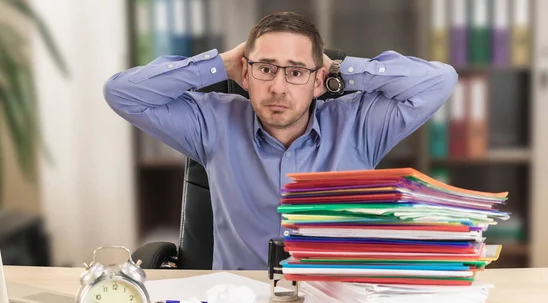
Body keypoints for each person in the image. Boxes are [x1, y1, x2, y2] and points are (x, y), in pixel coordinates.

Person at [104, 11, 458, 271]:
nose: (278, 87)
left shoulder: (358, 125)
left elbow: (439, 81)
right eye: (266, 68)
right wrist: (220, 64)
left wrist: (341, 69)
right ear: (246, 72)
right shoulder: (212, 123)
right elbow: (121, 93)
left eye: (295, 72)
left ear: (318, 81)